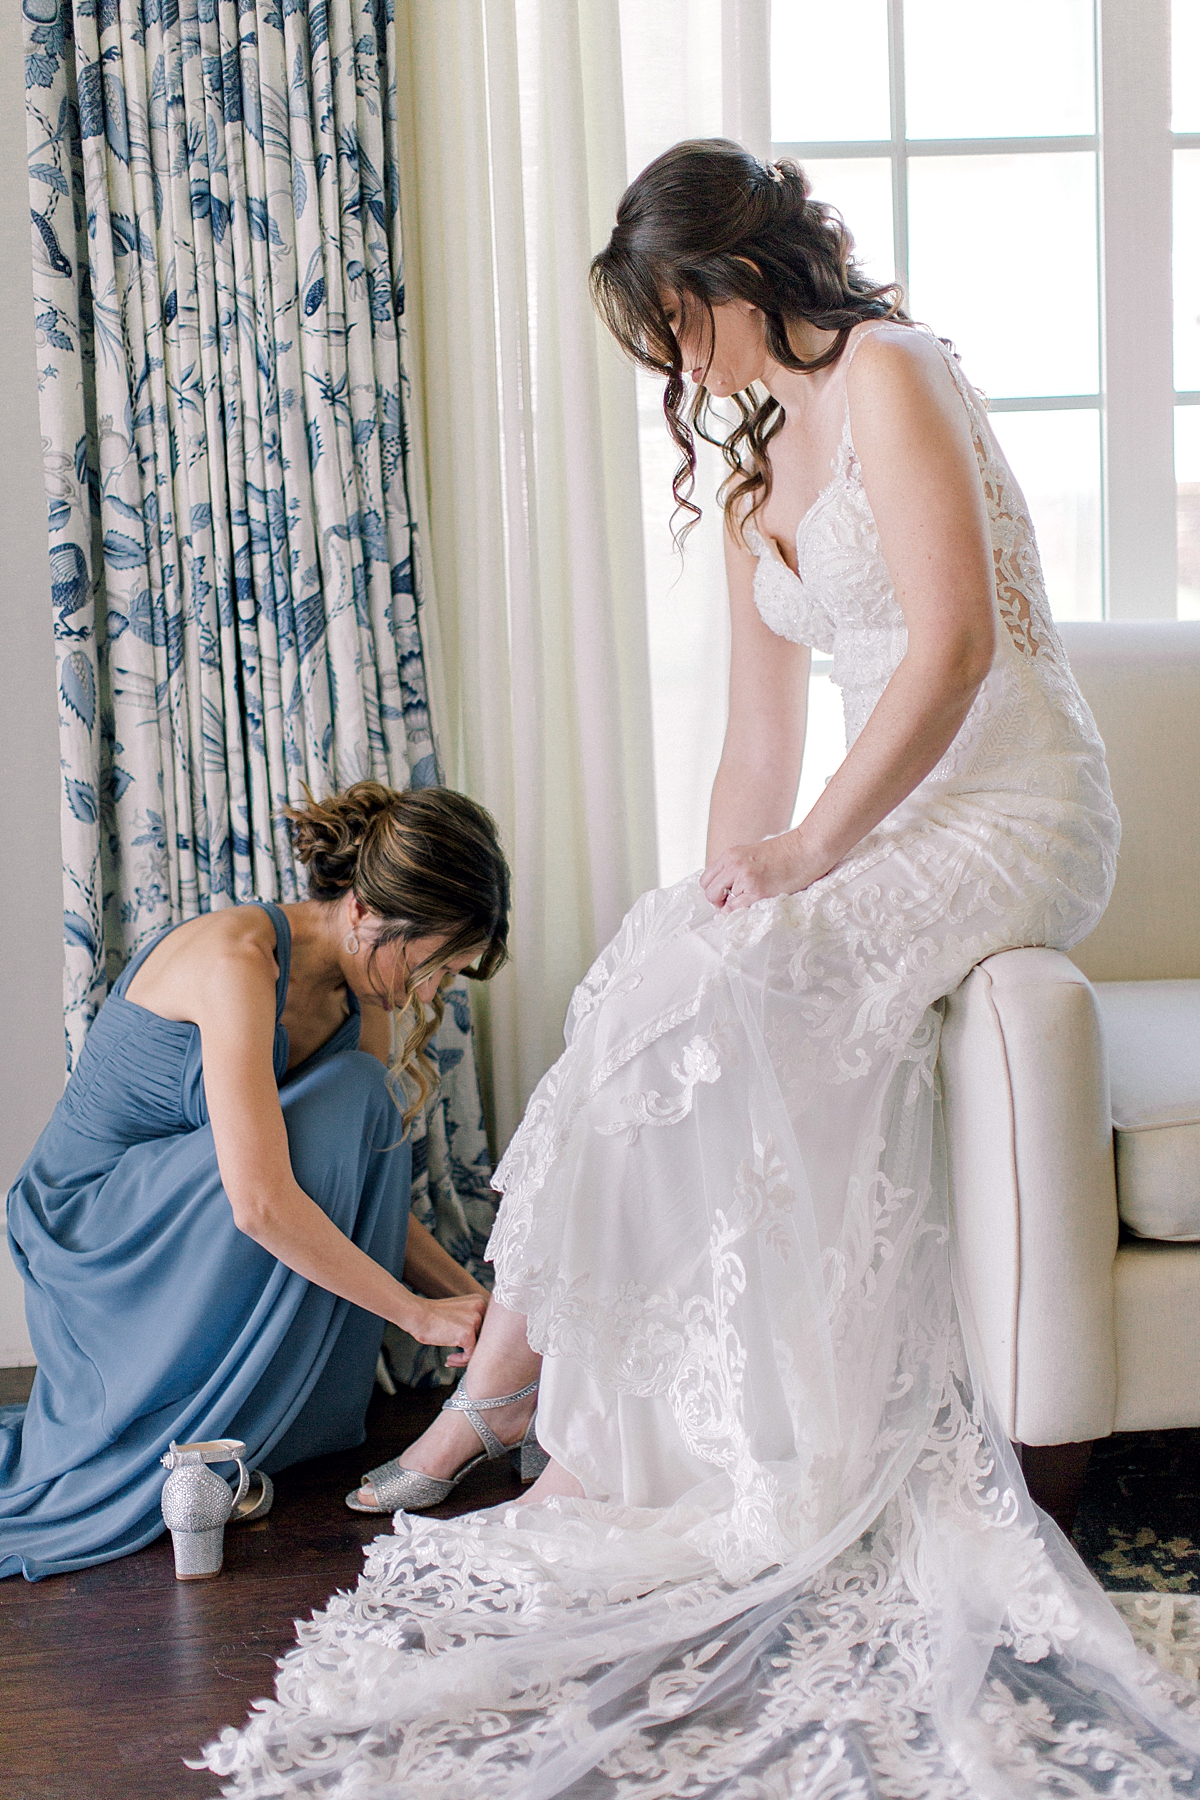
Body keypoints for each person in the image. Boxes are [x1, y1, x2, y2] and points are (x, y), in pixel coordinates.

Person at [203, 144, 1200, 1797]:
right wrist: (725, 896)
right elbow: (753, 752)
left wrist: (808, 857)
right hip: (875, 824)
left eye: (676, 322)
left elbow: (953, 648)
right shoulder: (747, 463)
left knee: (729, 965)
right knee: (663, 973)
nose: (675, 363)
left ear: (737, 279)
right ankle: (554, 1413)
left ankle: (502, 1404)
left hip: (1011, 807)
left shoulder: (894, 374)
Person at [0, 782, 508, 1581]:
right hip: (92, 1226)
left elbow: (359, 1180)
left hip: (188, 1216)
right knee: (353, 1096)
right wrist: (415, 1316)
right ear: (371, 912)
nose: (430, 991)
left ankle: (259, 1424)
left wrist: (472, 1303)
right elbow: (263, 1202)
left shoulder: (356, 991)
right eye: (431, 961)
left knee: (362, 1104)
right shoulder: (235, 960)